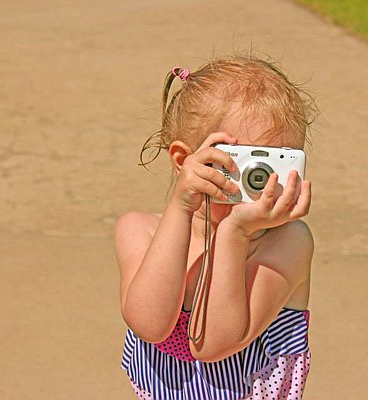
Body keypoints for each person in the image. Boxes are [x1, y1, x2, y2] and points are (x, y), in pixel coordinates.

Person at [115, 55, 317, 399]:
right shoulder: (139, 231)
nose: (259, 179)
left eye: (277, 163)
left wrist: (234, 235)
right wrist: (182, 206)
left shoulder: (287, 242)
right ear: (184, 161)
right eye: (244, 161)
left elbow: (212, 343)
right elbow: (149, 325)